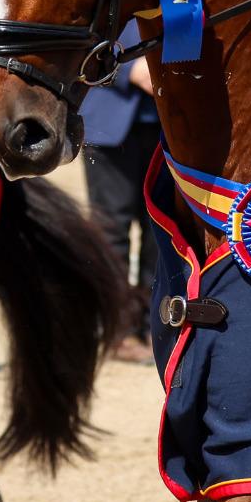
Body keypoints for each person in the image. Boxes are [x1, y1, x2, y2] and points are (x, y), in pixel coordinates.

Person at [79, 18, 159, 363]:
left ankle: (156, 327)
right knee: (111, 230)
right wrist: (128, 70)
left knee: (161, 234)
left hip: (167, 126)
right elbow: (80, 40)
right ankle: (116, 330)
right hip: (108, 125)